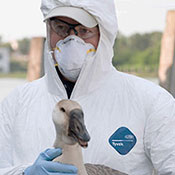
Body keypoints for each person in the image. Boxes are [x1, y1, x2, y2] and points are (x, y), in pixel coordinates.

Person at [0, 0, 175, 174]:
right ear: (49, 30)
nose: (71, 40)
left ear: (104, 34)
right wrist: (24, 173)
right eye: (60, 28)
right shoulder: (16, 103)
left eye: (84, 31)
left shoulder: (152, 102)